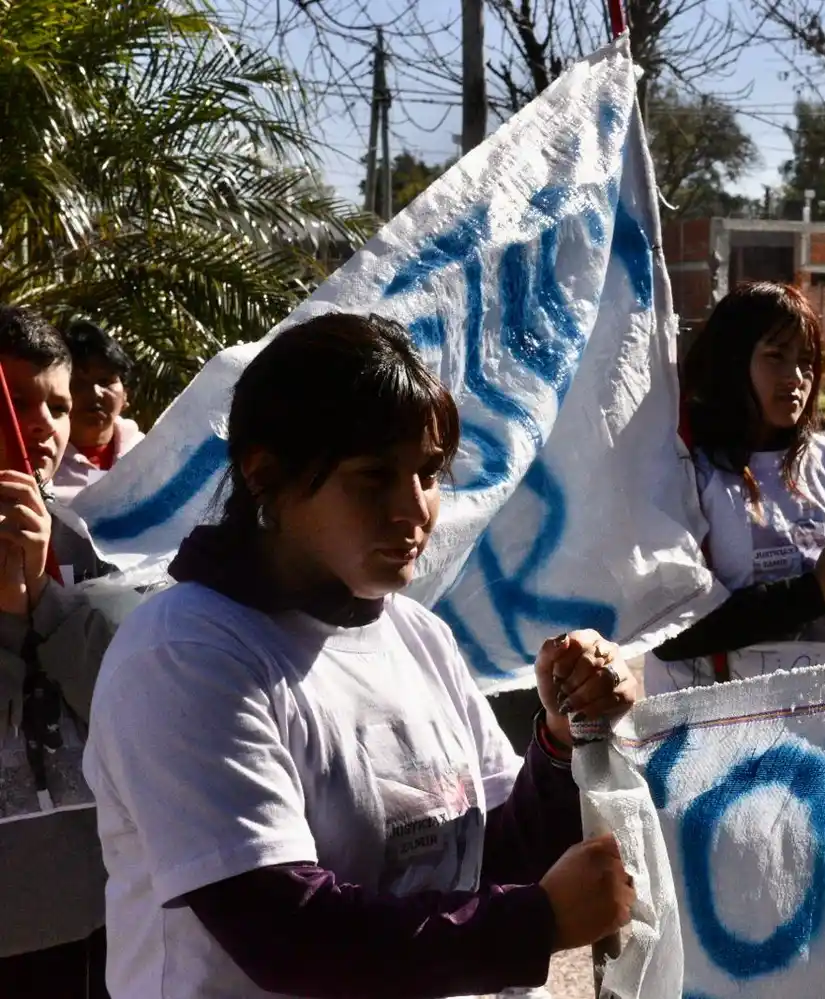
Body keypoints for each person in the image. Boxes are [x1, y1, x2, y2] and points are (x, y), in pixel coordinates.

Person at [82, 313, 639, 998]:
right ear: (266, 477)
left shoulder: (419, 636)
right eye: (373, 476)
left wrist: (560, 741)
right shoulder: (186, 655)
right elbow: (291, 935)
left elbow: (487, 858)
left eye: (428, 473)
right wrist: (537, 922)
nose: (414, 509)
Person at [648, 282, 825, 692]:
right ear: (733, 361)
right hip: (714, 725)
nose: (796, 377)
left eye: (806, 361)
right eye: (776, 356)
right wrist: (815, 589)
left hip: (823, 722)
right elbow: (669, 633)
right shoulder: (688, 468)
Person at [0, 305, 120, 997]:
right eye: (17, 402)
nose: (43, 425)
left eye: (57, 405)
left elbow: (124, 706)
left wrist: (45, 596)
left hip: (95, 907)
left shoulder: (74, 539)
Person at [52, 321, 142, 503]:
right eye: (78, 383)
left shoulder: (147, 451)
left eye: (105, 381)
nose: (95, 393)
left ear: (126, 395)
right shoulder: (40, 459)